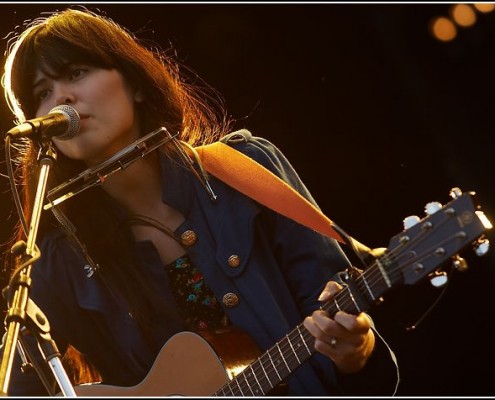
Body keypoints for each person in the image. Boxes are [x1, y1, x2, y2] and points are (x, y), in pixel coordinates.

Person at [0, 6, 399, 396]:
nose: (61, 99)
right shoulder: (60, 261)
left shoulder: (245, 171)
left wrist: (354, 354)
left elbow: (353, 349)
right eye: (41, 93)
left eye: (75, 72)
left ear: (135, 82)